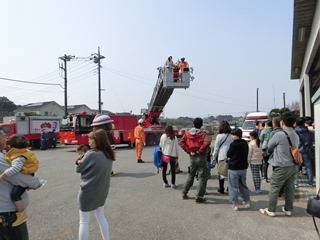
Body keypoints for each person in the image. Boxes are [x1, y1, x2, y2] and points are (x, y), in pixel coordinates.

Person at [0, 130, 41, 240]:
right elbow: (19, 178)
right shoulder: (1, 158)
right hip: (7, 212)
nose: (6, 139)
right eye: (4, 136)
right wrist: (36, 183)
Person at [76, 129, 115, 240]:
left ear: (98, 140)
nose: (88, 141)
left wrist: (78, 160)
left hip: (87, 192)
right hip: (102, 191)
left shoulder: (91, 154)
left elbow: (78, 169)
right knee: (101, 217)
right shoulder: (109, 154)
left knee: (83, 221)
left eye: (91, 139)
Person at [259, 112, 299, 217]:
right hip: (293, 166)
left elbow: (269, 146)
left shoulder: (279, 134)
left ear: (282, 122)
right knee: (290, 188)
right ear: (293, 123)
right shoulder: (295, 134)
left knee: (274, 188)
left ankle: (271, 210)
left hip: (282, 166)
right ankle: (288, 209)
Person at [179, 117, 210, 203]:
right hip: (201, 156)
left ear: (193, 124)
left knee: (191, 174)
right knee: (201, 177)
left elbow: (181, 142)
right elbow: (207, 142)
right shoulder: (203, 134)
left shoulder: (187, 133)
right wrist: (200, 150)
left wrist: (189, 151)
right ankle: (199, 196)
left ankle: (184, 192)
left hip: (192, 156)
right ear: (201, 124)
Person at [227, 128, 250, 211]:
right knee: (243, 185)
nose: (232, 137)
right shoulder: (245, 143)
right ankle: (246, 201)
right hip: (243, 167)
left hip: (233, 168)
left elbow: (228, 154)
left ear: (237, 136)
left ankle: (235, 203)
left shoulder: (233, 144)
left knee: (233, 187)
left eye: (233, 135)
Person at [211, 120, 232, 194]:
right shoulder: (231, 135)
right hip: (231, 156)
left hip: (221, 156)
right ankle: (229, 188)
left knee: (221, 173)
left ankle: (221, 188)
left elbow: (216, 148)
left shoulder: (219, 136)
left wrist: (214, 158)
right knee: (230, 173)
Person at [294, 117, 314, 187]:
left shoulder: (294, 131)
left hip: (297, 150)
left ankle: (296, 183)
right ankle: (310, 182)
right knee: (308, 166)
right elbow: (310, 141)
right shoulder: (308, 131)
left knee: (296, 167)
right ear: (303, 123)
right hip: (306, 150)